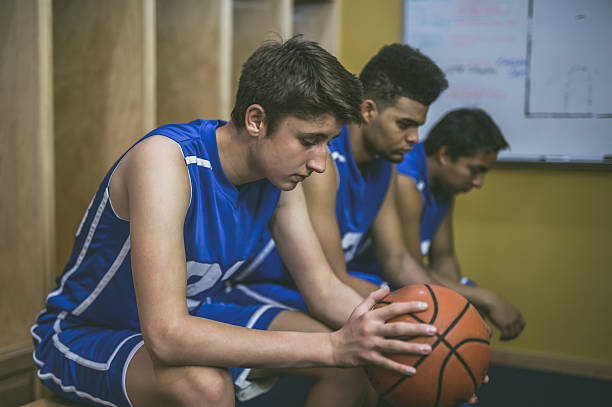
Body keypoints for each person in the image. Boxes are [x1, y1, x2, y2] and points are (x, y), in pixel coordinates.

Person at [30, 37, 438, 407]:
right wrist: (331, 346)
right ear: (257, 120)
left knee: (349, 367)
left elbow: (324, 288)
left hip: (195, 313)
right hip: (85, 332)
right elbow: (168, 337)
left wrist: (418, 343)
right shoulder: (166, 163)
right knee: (205, 387)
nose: (319, 162)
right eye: (309, 140)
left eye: (328, 143)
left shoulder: (278, 179)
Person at [228, 43, 447, 322]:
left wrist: (445, 308)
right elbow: (333, 278)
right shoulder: (317, 165)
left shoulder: (384, 166)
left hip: (314, 284)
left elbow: (397, 258)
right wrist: (418, 319)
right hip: (270, 283)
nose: (415, 139)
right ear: (368, 111)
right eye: (405, 125)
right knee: (362, 352)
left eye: (418, 127)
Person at [391, 108, 526, 340]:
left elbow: (443, 256)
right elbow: (409, 269)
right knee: (474, 302)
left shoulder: (444, 184)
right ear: (445, 155)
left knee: (468, 309)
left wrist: (462, 306)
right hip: (381, 276)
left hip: (410, 275)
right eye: (475, 170)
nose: (478, 183)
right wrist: (487, 297)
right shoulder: (406, 178)